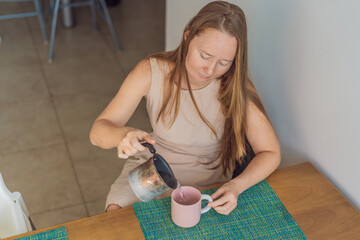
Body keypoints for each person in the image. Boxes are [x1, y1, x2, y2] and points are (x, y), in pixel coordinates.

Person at [90, 1, 281, 215]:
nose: (209, 70)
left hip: (208, 181)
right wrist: (123, 135)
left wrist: (237, 186)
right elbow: (97, 132)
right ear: (187, 36)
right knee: (116, 217)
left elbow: (271, 153)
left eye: (224, 62)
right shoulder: (151, 71)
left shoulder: (235, 88)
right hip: (153, 171)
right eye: (205, 56)